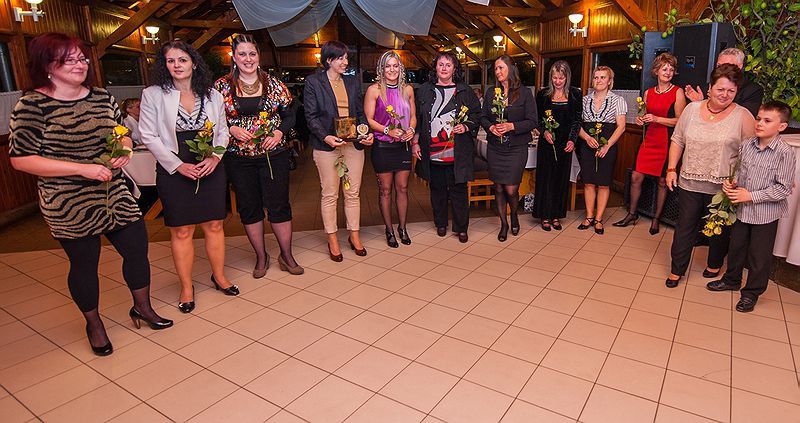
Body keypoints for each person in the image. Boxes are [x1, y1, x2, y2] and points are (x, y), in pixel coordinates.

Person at [9, 33, 172, 356]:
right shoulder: (32, 105)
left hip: (113, 192)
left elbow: (121, 133)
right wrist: (81, 169)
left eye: (82, 58)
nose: (79, 64)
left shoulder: (100, 97)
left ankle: (142, 307)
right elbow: (21, 159)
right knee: (84, 265)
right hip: (68, 200)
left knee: (137, 251)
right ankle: (94, 324)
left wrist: (124, 149)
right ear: (47, 65)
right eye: (69, 59)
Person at [139, 40, 239, 313]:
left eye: (182, 60)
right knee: (182, 230)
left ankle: (219, 276)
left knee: (214, 225)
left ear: (193, 63)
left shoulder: (212, 94)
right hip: (174, 165)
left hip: (209, 163)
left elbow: (222, 131)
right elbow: (148, 135)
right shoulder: (153, 94)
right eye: (171, 61)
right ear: (165, 65)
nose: (177, 65)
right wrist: (177, 165)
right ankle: (186, 287)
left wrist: (215, 157)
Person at [214, 34, 303, 277]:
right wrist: (230, 128)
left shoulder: (273, 84)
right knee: (249, 207)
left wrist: (279, 132)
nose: (248, 59)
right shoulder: (221, 86)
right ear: (234, 57)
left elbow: (290, 116)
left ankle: (286, 255)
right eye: (242, 54)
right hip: (238, 158)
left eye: (252, 54)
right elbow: (212, 120)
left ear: (258, 56)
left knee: (279, 205)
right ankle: (261, 257)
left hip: (273, 155)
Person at [664, 64, 756, 288]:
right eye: (720, 89)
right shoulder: (692, 109)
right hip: (689, 182)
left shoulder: (743, 116)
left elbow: (751, 153)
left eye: (731, 91)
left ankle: (714, 264)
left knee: (719, 230)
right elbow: (678, 140)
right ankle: (677, 270)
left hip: (723, 187)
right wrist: (671, 169)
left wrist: (739, 180)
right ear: (710, 88)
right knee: (684, 228)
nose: (725, 95)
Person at [705, 101, 795, 312]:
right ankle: (731, 280)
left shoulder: (785, 152)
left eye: (767, 120)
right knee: (736, 247)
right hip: (742, 210)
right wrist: (732, 182)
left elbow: (783, 189)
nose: (760, 123)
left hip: (765, 214)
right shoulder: (747, 144)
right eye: (758, 118)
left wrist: (751, 196)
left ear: (781, 126)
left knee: (758, 256)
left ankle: (751, 293)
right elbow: (739, 171)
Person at [304, 40, 374, 261]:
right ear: (328, 60)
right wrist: (325, 137)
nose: (345, 62)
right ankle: (332, 239)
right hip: (327, 146)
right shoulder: (313, 82)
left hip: (352, 146)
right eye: (340, 58)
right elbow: (310, 117)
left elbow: (360, 114)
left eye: (346, 58)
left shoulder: (352, 81)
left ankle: (354, 236)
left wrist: (366, 133)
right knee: (330, 194)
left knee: (352, 193)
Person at [614, 53, 686, 235]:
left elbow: (681, 121)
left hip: (666, 141)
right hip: (649, 139)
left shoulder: (678, 92)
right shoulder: (648, 92)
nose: (668, 72)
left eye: (671, 69)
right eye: (664, 68)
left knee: (662, 181)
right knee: (636, 177)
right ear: (656, 71)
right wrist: (641, 120)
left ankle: (656, 218)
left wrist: (657, 119)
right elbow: (644, 115)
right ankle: (632, 213)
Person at [413, 51, 481, 243]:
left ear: (454, 69)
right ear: (435, 67)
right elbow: (417, 119)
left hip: (458, 153)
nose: (444, 68)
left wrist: (466, 126)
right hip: (432, 151)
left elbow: (477, 115)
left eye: (448, 65)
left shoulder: (465, 91)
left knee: (459, 192)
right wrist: (415, 142)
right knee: (437, 190)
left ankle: (461, 228)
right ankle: (441, 223)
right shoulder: (424, 90)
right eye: (441, 64)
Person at [480, 55, 538, 241]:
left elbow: (532, 121)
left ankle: (514, 214)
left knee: (511, 189)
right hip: (495, 148)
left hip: (516, 148)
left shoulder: (524, 93)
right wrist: (490, 127)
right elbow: (483, 117)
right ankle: (503, 223)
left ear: (511, 69)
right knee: (498, 188)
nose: (497, 72)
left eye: (501, 68)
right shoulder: (491, 92)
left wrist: (511, 126)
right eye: (496, 68)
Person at [364, 50, 417, 247]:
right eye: (388, 66)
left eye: (395, 66)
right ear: (381, 69)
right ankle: (389, 230)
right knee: (385, 190)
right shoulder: (374, 90)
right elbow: (368, 119)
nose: (392, 69)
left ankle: (402, 228)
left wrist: (411, 129)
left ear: (400, 68)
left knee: (402, 188)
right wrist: (388, 130)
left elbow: (413, 116)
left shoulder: (408, 89)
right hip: (383, 147)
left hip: (403, 146)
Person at [576, 66, 627, 234]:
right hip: (587, 145)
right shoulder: (584, 100)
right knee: (588, 182)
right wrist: (586, 138)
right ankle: (589, 216)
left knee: (604, 183)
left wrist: (607, 145)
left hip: (608, 145)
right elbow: (577, 125)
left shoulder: (618, 100)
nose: (598, 80)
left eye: (603, 77)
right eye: (596, 77)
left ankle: (598, 219)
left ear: (609, 81)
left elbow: (621, 127)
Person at [533, 60, 582, 231]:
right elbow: (537, 119)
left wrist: (572, 140)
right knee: (545, 179)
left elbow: (577, 121)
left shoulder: (575, 94)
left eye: (561, 78)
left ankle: (556, 215)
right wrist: (544, 132)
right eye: (555, 78)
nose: (558, 81)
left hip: (565, 144)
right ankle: (544, 215)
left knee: (560, 180)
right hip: (547, 143)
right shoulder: (543, 94)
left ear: (567, 77)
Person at [684, 47, 763, 117]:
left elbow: (745, 118)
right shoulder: (709, 87)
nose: (721, 69)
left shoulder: (753, 90)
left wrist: (713, 103)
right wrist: (700, 104)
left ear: (739, 66)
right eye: (719, 66)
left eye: (726, 66)